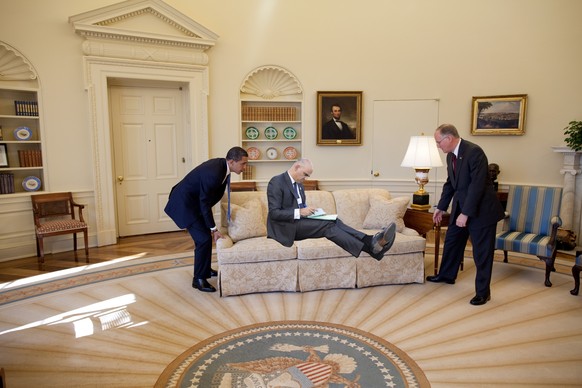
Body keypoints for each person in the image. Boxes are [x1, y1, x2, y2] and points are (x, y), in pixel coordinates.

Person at [427, 124, 504, 306]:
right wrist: (441, 206)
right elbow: (450, 184)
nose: (438, 146)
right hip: (462, 207)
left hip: (482, 211)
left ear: (449, 139)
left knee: (482, 254)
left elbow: (477, 187)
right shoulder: (450, 157)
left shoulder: (474, 152)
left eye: (439, 142)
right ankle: (447, 275)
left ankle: (483, 293)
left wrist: (466, 213)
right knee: (452, 242)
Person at [267, 158, 396, 261]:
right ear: (297, 167)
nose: (306, 178)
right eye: (305, 174)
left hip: (299, 222)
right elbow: (274, 213)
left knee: (335, 220)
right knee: (327, 226)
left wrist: (309, 210)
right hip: (284, 227)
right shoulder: (277, 181)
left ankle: (369, 241)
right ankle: (371, 249)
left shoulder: (299, 185)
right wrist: (300, 212)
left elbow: (299, 205)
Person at [164, 146, 249, 292]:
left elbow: (206, 200)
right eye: (243, 163)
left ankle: (205, 270)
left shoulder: (223, 168)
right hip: (185, 205)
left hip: (194, 204)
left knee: (205, 239)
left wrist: (211, 227)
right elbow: (204, 202)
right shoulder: (214, 173)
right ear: (231, 161)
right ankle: (198, 279)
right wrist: (213, 228)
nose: (245, 167)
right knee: (203, 239)